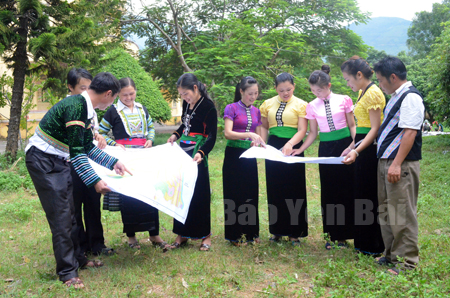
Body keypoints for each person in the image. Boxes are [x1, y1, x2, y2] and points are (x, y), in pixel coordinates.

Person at [25, 72, 131, 288]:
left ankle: (79, 259)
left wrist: (113, 163)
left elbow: (87, 147)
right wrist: (95, 181)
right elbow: (77, 153)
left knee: (71, 214)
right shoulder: (76, 106)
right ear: (109, 94)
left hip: (60, 160)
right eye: (114, 98)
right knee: (61, 217)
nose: (113, 103)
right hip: (43, 161)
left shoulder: (85, 109)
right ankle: (67, 273)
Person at [291, 65, 356, 250]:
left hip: (346, 146)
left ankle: (350, 234)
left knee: (348, 189)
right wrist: (300, 148)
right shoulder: (311, 106)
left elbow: (352, 126)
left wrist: (353, 145)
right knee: (329, 191)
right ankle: (333, 236)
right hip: (326, 149)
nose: (317, 93)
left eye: (319, 90)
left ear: (329, 85)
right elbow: (312, 133)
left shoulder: (344, 100)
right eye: (313, 90)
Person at [98, 77, 167, 250]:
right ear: (117, 94)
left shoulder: (142, 108)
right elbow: (100, 132)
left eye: (131, 94)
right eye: (124, 95)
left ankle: (154, 234)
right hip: (126, 158)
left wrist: (150, 139)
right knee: (129, 196)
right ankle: (131, 237)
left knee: (149, 194)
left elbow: (151, 127)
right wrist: (114, 144)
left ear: (136, 91)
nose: (129, 98)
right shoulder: (112, 111)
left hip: (144, 156)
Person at [373, 57, 424, 275]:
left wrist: (396, 163)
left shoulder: (410, 97)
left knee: (401, 212)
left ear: (393, 77)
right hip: (387, 161)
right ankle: (390, 255)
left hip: (399, 164)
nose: (380, 85)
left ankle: (406, 263)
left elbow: (409, 132)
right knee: (387, 210)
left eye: (381, 80)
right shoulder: (397, 96)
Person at [167, 73, 217, 251]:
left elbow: (212, 136)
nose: (184, 97)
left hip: (198, 153)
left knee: (199, 194)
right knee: (181, 192)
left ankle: (206, 236)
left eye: (185, 94)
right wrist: (175, 135)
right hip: (183, 152)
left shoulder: (208, 107)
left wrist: (202, 153)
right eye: (181, 95)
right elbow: (184, 125)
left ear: (195, 88)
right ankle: (182, 234)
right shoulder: (186, 104)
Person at [340, 56, 385, 256]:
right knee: (360, 193)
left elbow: (375, 129)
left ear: (359, 75)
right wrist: (351, 145)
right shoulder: (362, 92)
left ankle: (372, 245)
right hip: (361, 146)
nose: (348, 84)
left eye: (348, 80)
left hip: (369, 150)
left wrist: (357, 150)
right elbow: (362, 128)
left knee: (368, 195)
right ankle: (363, 242)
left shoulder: (373, 94)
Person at [67, 68, 114, 257]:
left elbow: (89, 132)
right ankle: (80, 246)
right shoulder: (70, 106)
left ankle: (97, 243)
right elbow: (74, 143)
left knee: (93, 202)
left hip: (90, 161)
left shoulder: (90, 108)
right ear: (71, 87)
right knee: (74, 205)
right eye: (82, 87)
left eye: (89, 87)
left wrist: (97, 135)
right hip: (71, 162)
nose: (87, 92)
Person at [259, 73, 308, 246]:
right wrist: (262, 143)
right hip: (273, 147)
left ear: (294, 86)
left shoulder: (301, 104)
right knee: (275, 187)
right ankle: (277, 230)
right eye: (281, 90)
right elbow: (264, 126)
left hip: (293, 148)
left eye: (289, 89)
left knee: (294, 188)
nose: (285, 93)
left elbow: (302, 129)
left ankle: (295, 233)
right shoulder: (267, 104)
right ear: (275, 89)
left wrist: (290, 144)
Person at [223, 76, 265, 246]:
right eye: (249, 94)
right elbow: (228, 133)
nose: (253, 96)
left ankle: (251, 233)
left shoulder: (256, 111)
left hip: (250, 155)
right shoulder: (231, 108)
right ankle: (235, 235)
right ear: (241, 91)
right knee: (235, 192)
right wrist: (248, 135)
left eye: (255, 93)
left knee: (250, 192)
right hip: (234, 154)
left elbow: (260, 134)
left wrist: (257, 141)